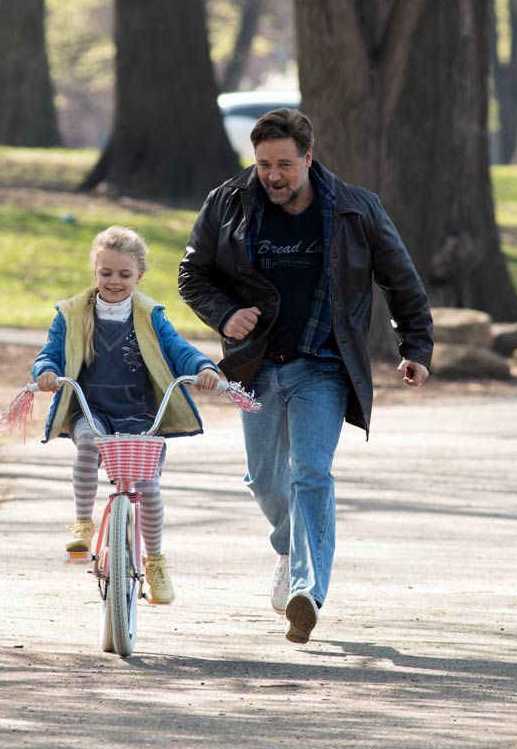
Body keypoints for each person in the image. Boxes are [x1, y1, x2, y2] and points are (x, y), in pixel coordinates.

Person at [178, 108, 433, 643]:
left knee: (310, 473)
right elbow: (192, 273)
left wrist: (416, 346)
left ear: (309, 158)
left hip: (323, 365)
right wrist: (224, 314)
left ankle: (307, 590)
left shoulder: (356, 208)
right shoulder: (227, 204)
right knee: (264, 480)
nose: (273, 175)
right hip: (255, 366)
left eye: (285, 165)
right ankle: (290, 550)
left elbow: (401, 280)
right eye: (265, 164)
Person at [33, 225, 220, 604]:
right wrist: (46, 372)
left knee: (147, 488)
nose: (114, 281)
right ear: (95, 271)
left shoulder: (150, 316)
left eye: (124, 274)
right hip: (93, 408)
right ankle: (83, 524)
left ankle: (154, 560)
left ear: (139, 276)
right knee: (87, 442)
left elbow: (178, 350)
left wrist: (204, 368)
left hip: (140, 415)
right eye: (106, 273)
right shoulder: (72, 314)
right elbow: (50, 351)